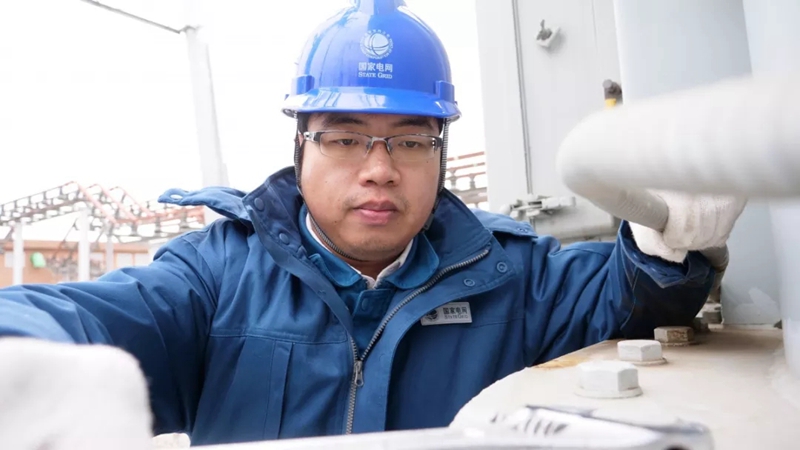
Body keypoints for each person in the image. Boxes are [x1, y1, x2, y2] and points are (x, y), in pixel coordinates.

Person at [0, 0, 746, 448]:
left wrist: (664, 241)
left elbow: (627, 299)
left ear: (440, 152)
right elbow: (89, 317)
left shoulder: (511, 275)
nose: (380, 169)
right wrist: (19, 355)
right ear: (300, 147)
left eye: (411, 141)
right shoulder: (218, 276)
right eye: (346, 137)